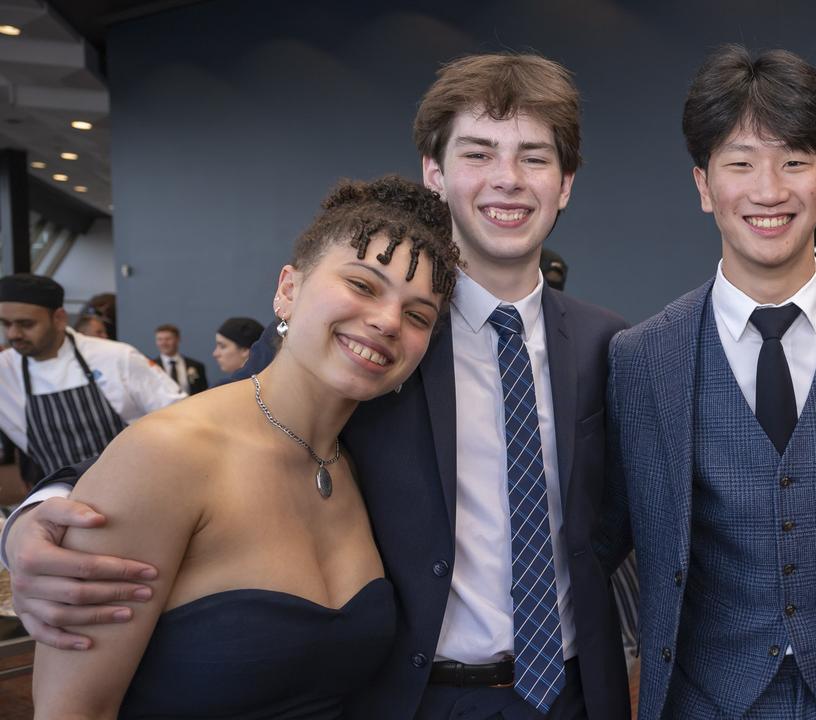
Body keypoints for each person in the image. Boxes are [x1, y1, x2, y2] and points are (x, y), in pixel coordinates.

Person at [6, 52, 631, 720]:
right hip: (415, 698)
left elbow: (618, 516)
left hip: (574, 693)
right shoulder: (366, 340)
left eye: (534, 158)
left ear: (565, 183)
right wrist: (40, 511)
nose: (507, 180)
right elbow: (230, 424)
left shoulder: (611, 344)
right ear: (435, 173)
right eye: (478, 153)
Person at [30, 175, 457, 718]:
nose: (387, 321)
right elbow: (73, 709)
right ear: (288, 288)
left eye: (418, 315)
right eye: (363, 285)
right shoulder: (167, 454)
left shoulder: (353, 467)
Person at [596, 46, 816, 719]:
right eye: (740, 163)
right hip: (704, 700)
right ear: (703, 183)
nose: (769, 190)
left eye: (795, 162)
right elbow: (605, 536)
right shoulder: (640, 358)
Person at [0, 274, 185, 486]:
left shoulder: (116, 357)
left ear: (59, 318)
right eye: (5, 324)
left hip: (138, 488)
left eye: (26, 324)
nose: (13, 334)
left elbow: (181, 415)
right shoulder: (5, 371)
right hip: (63, 500)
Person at [152, 324, 208, 394]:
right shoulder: (151, 367)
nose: (163, 343)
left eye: (168, 339)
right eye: (160, 339)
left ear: (178, 339)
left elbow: (203, 393)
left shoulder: (196, 366)